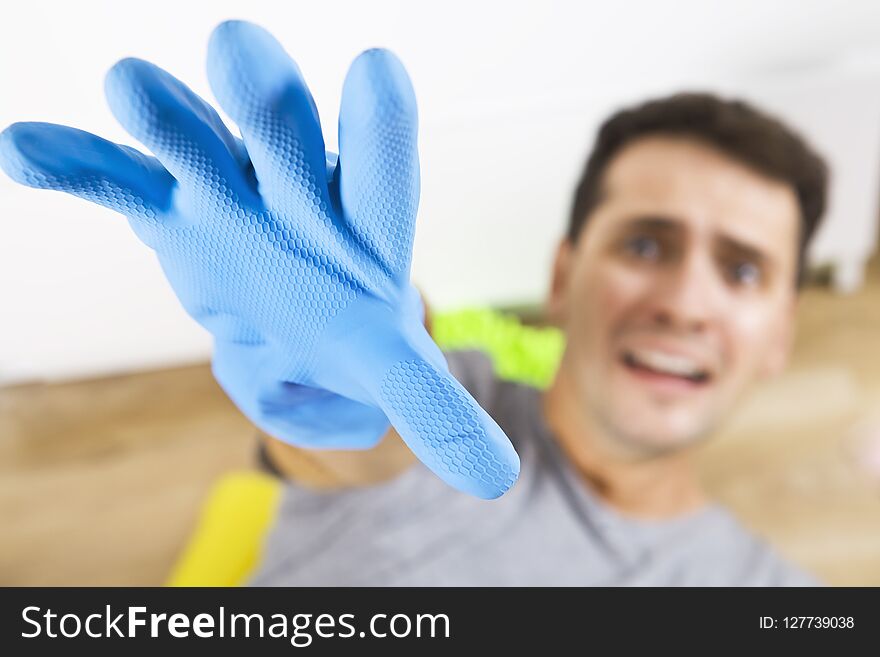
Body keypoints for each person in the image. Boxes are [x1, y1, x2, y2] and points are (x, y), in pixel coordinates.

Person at [0, 21, 826, 585]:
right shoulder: (446, 409)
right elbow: (372, 435)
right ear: (563, 276)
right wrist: (337, 378)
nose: (684, 300)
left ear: (782, 334)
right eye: (645, 244)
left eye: (745, 270)